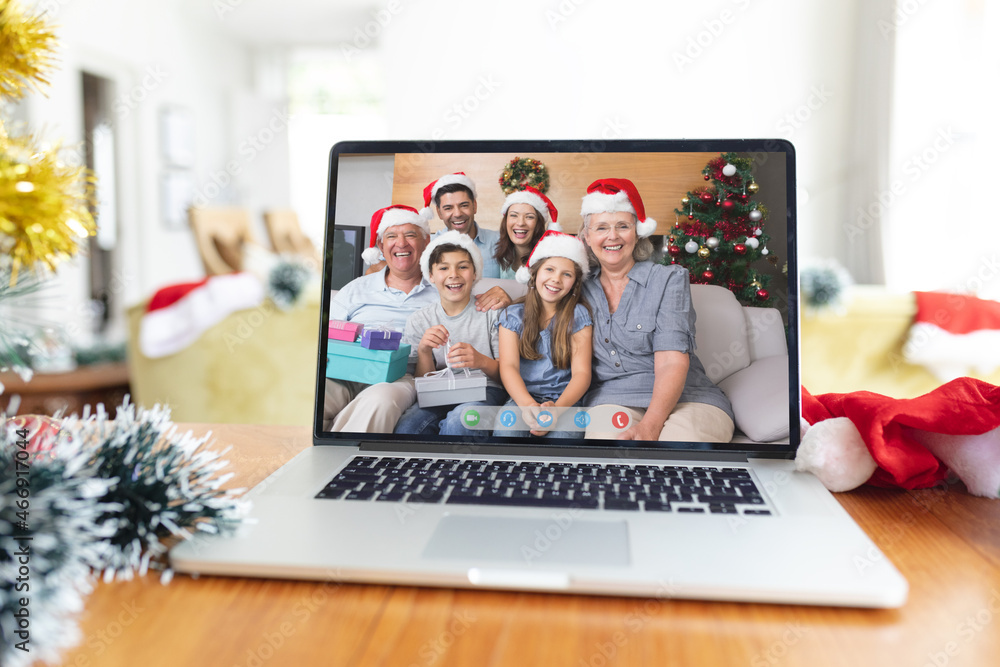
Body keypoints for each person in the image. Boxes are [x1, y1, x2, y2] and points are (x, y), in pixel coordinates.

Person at [577, 178, 735, 443]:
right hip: (613, 398)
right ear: (587, 237)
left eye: (623, 226)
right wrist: (504, 296)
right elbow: (538, 302)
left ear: (637, 232)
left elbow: (672, 361)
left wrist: (651, 426)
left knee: (679, 455)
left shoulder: (668, 279)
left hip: (689, 397)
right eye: (601, 227)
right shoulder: (577, 285)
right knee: (608, 460)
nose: (612, 236)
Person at [323, 205, 438, 432]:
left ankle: (343, 459)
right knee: (310, 394)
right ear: (380, 246)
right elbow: (325, 333)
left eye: (410, 235)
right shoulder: (356, 289)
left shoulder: (443, 290)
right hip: (345, 371)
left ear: (426, 242)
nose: (401, 243)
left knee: (381, 400)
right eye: (392, 236)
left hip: (401, 376)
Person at [394, 230, 506, 436]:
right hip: (437, 394)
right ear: (431, 275)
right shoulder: (420, 320)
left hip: (486, 391)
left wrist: (480, 360)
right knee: (408, 427)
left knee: (460, 421)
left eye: (463, 267)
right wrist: (425, 351)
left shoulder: (492, 314)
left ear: (475, 273)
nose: (453, 274)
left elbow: (508, 376)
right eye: (443, 268)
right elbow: (420, 382)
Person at [496, 231, 593, 439]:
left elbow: (582, 374)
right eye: (549, 269)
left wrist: (556, 410)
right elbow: (509, 367)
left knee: (564, 438)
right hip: (523, 397)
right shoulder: (512, 315)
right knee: (506, 430)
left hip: (566, 401)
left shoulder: (579, 316)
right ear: (535, 274)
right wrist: (527, 405)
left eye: (566, 274)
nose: (556, 279)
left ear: (575, 283)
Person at [494, 185, 557, 280]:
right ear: (506, 221)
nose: (520, 223)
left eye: (529, 217)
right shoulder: (497, 255)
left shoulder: (550, 259)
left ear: (538, 224)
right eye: (514, 215)